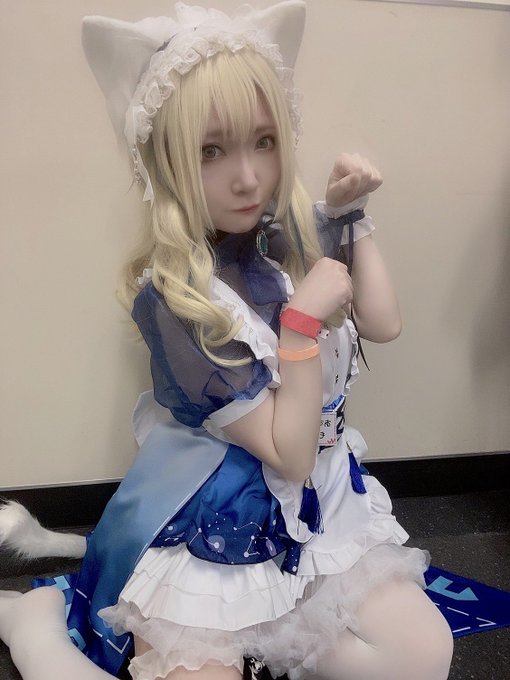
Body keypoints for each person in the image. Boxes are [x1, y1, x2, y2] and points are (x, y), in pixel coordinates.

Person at [0, 2, 454, 679]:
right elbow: (288, 453)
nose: (247, 177)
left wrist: (354, 218)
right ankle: (32, 623)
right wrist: (300, 326)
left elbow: (384, 324)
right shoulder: (173, 300)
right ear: (166, 162)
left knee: (422, 655)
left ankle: (279, 643)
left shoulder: (280, 238)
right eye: (211, 151)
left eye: (263, 141)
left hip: (315, 514)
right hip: (214, 526)